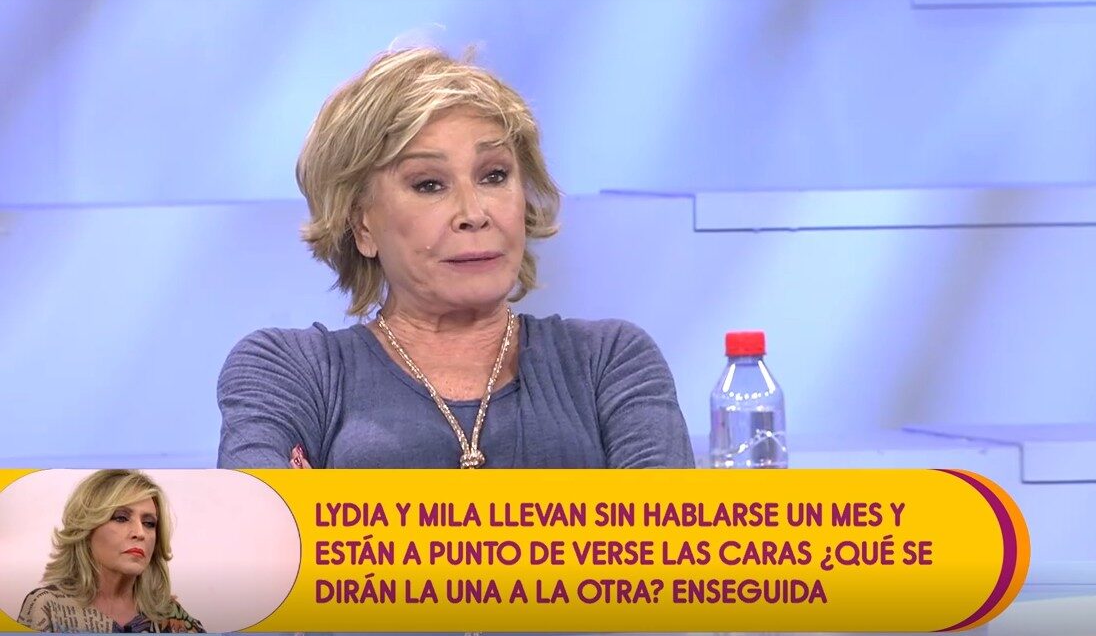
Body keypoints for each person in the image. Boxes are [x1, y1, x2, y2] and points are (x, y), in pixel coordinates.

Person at [216, 47, 695, 470]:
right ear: (362, 225)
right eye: (429, 184)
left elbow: (668, 540)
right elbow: (256, 532)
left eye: (494, 176)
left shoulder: (608, 361)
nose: (474, 213)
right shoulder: (292, 371)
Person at [17, 470, 205, 633]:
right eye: (121, 518)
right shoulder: (48, 607)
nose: (140, 533)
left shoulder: (171, 616)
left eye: (149, 523)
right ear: (86, 529)